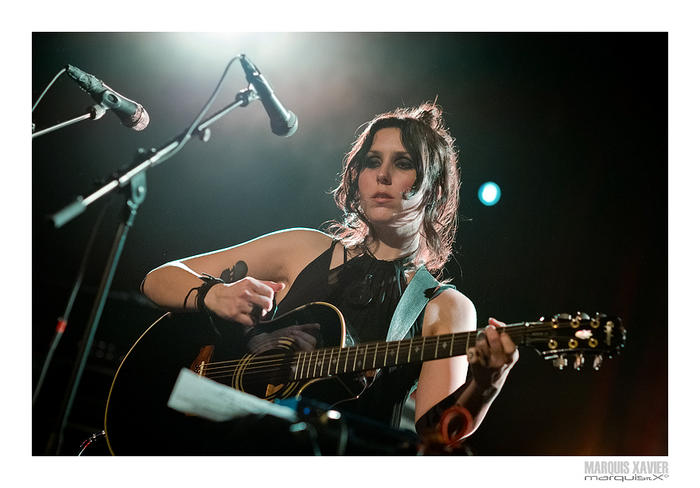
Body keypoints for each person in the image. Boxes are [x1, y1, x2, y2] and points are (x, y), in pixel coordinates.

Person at [141, 103, 518, 452]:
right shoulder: (305, 249)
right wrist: (214, 295)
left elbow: (435, 438)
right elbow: (158, 279)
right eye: (372, 161)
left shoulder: (446, 308)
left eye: (402, 163)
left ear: (434, 190)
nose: (382, 175)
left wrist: (486, 384)